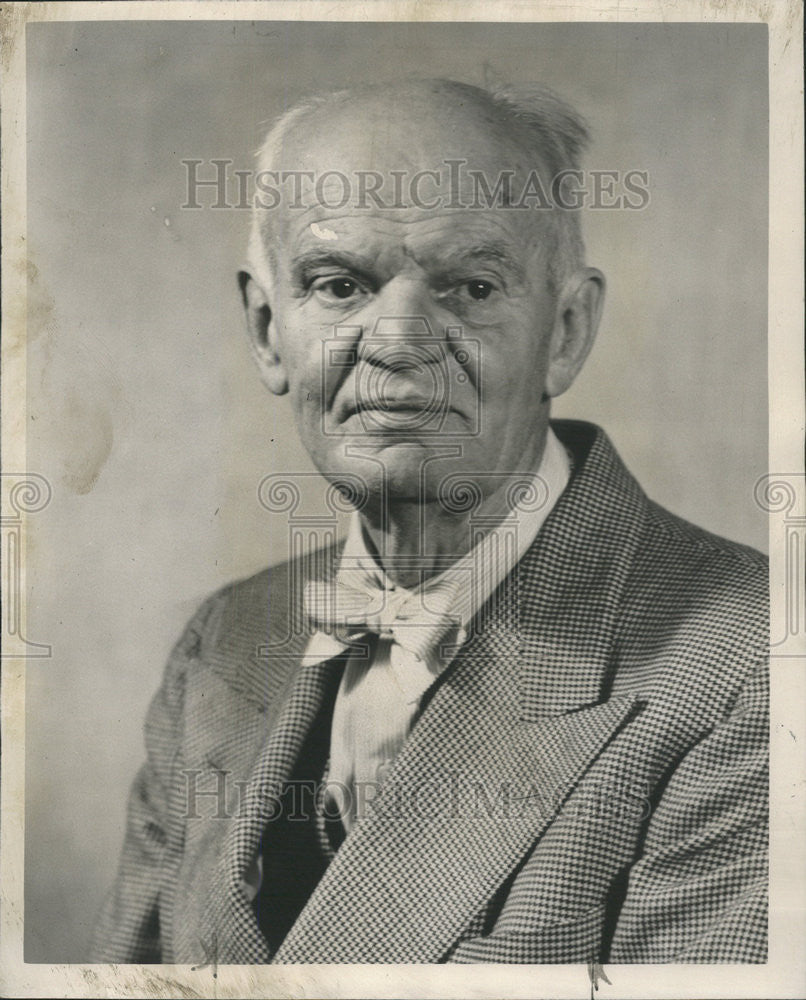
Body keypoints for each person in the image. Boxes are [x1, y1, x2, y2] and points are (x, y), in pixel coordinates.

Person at [92, 78, 768, 965]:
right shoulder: (224, 641)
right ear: (268, 330)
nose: (401, 340)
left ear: (564, 332)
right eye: (339, 285)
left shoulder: (757, 668)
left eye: (472, 287)